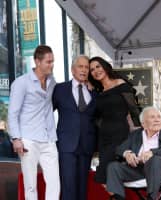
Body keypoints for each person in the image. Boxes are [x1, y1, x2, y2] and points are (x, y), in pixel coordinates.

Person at [106, 106, 161, 200]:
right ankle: (117, 198)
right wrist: (127, 153)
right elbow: (120, 149)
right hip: (138, 169)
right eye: (152, 117)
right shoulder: (135, 135)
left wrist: (153, 152)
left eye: (159, 117)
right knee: (113, 166)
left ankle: (152, 197)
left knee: (155, 159)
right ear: (143, 123)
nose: (157, 120)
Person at [8, 45, 60, 200]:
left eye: (53, 61)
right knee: (30, 184)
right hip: (28, 139)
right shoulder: (21, 83)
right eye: (48, 62)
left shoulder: (52, 82)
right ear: (37, 61)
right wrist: (16, 138)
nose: (52, 65)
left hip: (49, 138)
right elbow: (13, 113)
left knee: (54, 183)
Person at [88, 56, 140, 185]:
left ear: (105, 67)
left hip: (120, 134)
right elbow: (96, 116)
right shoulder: (98, 92)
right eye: (92, 69)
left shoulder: (121, 84)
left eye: (98, 66)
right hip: (104, 137)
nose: (95, 71)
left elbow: (134, 110)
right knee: (104, 176)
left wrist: (141, 134)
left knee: (113, 172)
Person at [52, 55, 97, 200]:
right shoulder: (59, 89)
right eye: (80, 66)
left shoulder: (95, 92)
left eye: (86, 68)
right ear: (72, 69)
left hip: (87, 145)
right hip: (66, 145)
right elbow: (46, 114)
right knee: (68, 186)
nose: (84, 70)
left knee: (83, 187)